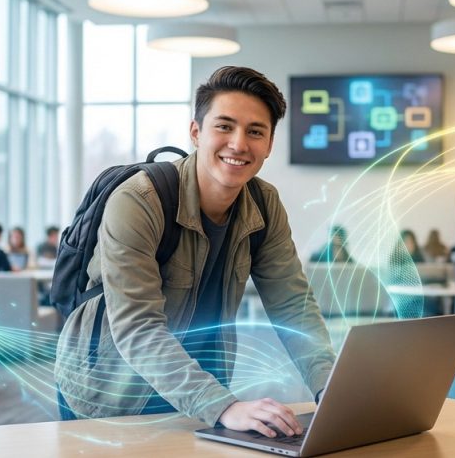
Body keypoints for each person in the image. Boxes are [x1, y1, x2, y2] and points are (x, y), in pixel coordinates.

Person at [53, 66, 335, 438]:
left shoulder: (264, 204)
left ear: (269, 145)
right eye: (224, 126)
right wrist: (224, 406)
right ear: (196, 132)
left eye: (255, 131)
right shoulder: (139, 201)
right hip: (114, 394)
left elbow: (292, 305)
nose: (238, 143)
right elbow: (137, 327)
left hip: (204, 390)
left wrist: (329, 387)